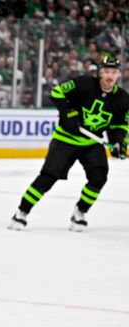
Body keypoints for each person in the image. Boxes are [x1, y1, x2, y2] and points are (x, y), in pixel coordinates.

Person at [8, 53, 129, 232]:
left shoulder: (123, 99)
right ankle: (21, 212)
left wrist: (119, 143)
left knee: (99, 178)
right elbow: (57, 92)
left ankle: (80, 212)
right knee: (48, 178)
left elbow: (120, 125)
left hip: (91, 143)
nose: (110, 76)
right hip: (65, 140)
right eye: (106, 71)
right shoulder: (84, 84)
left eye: (114, 72)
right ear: (100, 73)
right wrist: (68, 113)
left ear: (118, 75)